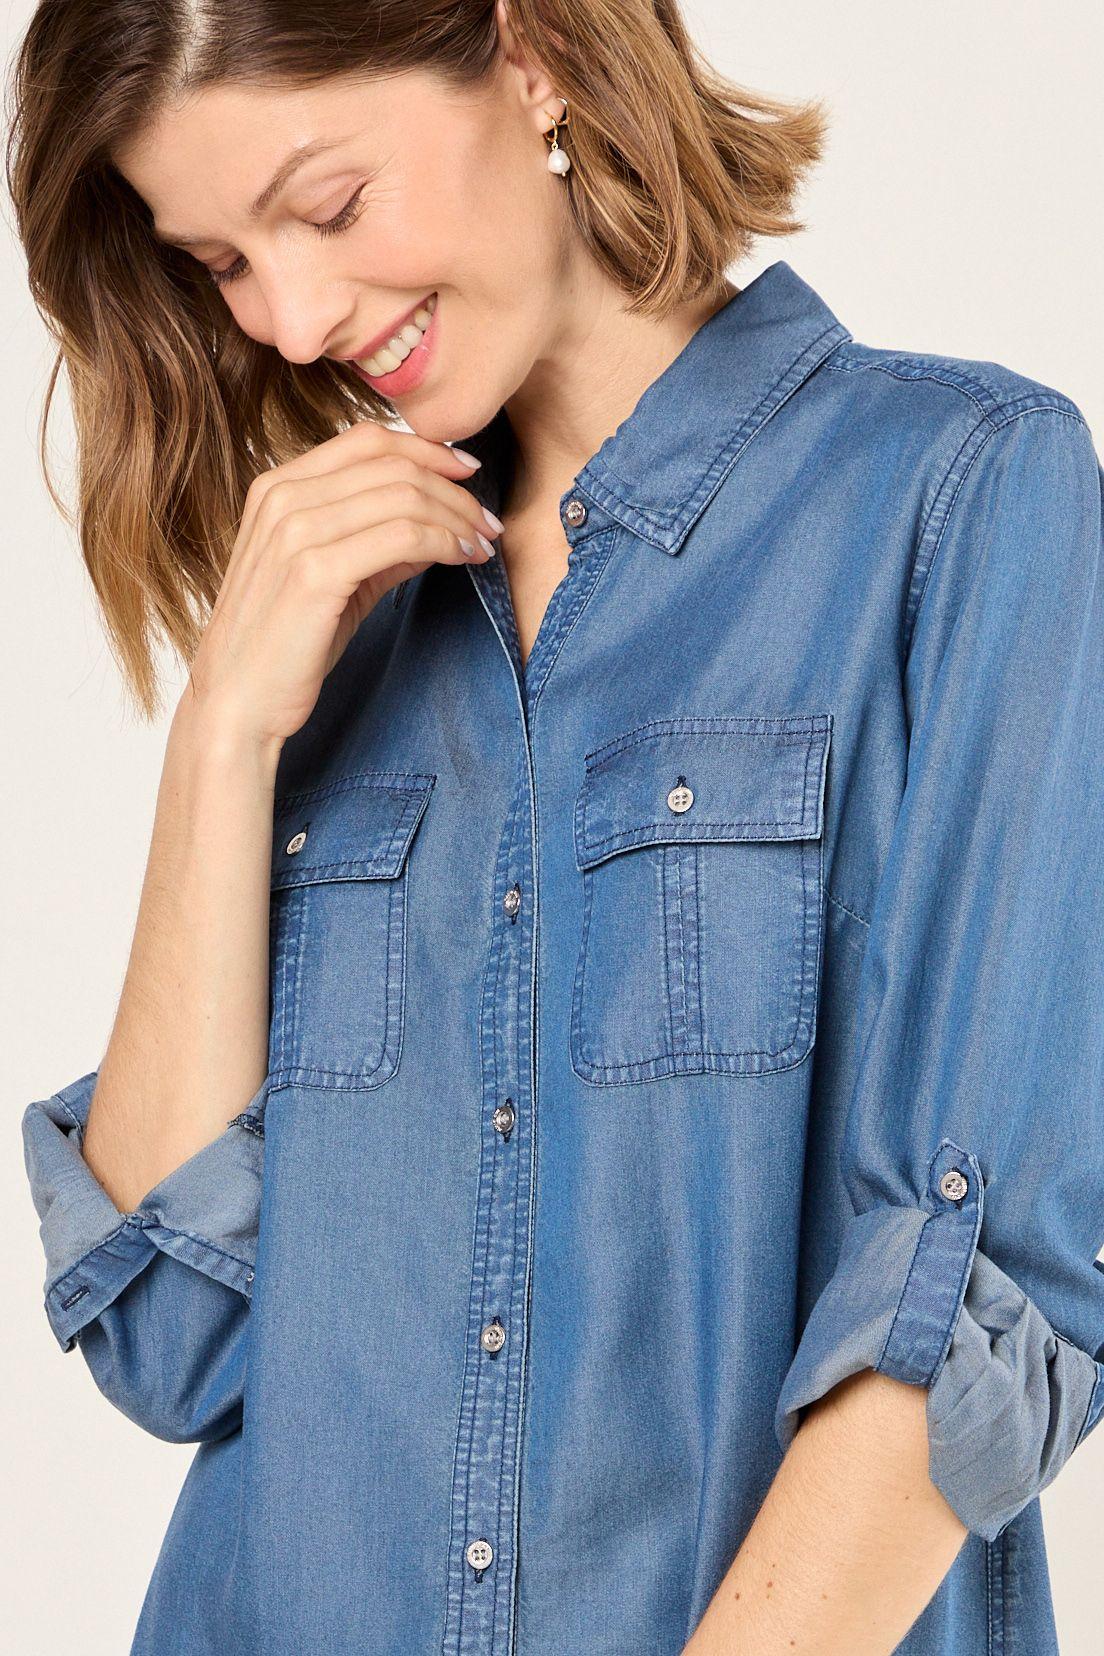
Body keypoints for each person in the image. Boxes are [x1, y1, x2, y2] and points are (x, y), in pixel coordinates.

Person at [12, 1, 1104, 1652]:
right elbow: (171, 1338)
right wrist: (221, 740)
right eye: (223, 263)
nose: (292, 320)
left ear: (531, 59)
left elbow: (974, 1294)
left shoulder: (960, 496)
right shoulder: (337, 628)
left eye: (328, 206)